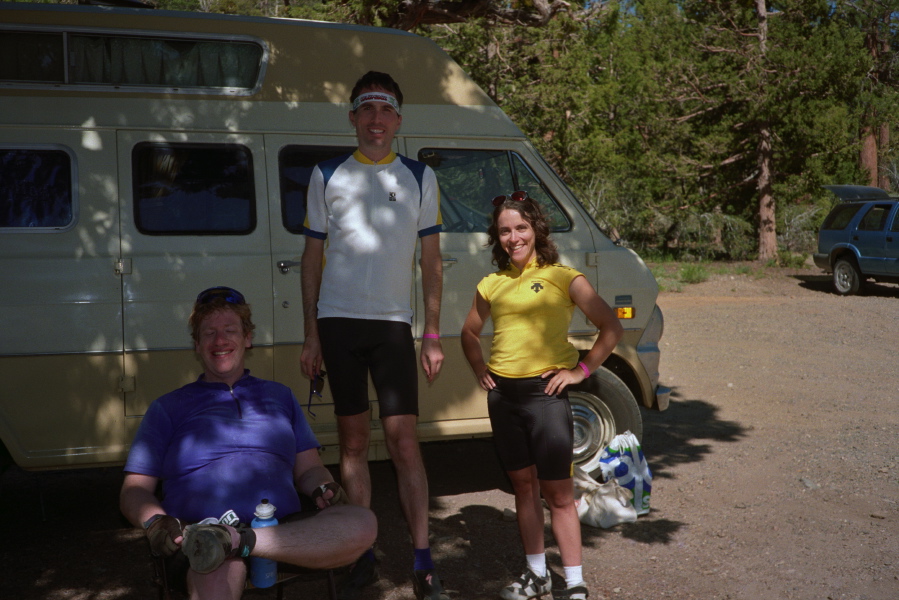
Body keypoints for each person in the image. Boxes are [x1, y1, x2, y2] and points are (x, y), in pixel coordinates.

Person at [120, 286, 377, 600]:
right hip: (201, 533)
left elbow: (309, 470)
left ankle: (239, 540)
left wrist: (324, 487)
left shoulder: (280, 396)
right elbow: (134, 490)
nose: (220, 340)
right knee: (214, 564)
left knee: (362, 522)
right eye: (209, 333)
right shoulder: (168, 407)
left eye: (230, 330)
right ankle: (226, 542)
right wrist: (156, 522)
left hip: (281, 532)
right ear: (197, 345)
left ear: (248, 338)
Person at [299, 71, 447, 600]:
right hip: (338, 324)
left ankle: (424, 558)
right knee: (355, 444)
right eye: (367, 109)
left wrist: (432, 333)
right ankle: (361, 552)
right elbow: (311, 257)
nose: (376, 119)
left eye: (386, 110)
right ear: (353, 117)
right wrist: (311, 334)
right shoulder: (326, 173)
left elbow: (431, 262)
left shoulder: (418, 176)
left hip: (391, 326)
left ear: (398, 121)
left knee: (406, 443)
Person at [460, 192, 624, 600]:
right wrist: (481, 369)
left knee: (559, 494)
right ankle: (537, 575)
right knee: (523, 488)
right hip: (503, 396)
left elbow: (610, 327)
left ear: (536, 230)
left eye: (520, 228)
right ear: (496, 238)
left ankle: (574, 583)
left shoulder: (565, 277)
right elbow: (468, 332)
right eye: (504, 231)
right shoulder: (491, 283)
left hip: (546, 395)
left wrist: (579, 371)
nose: (513, 237)